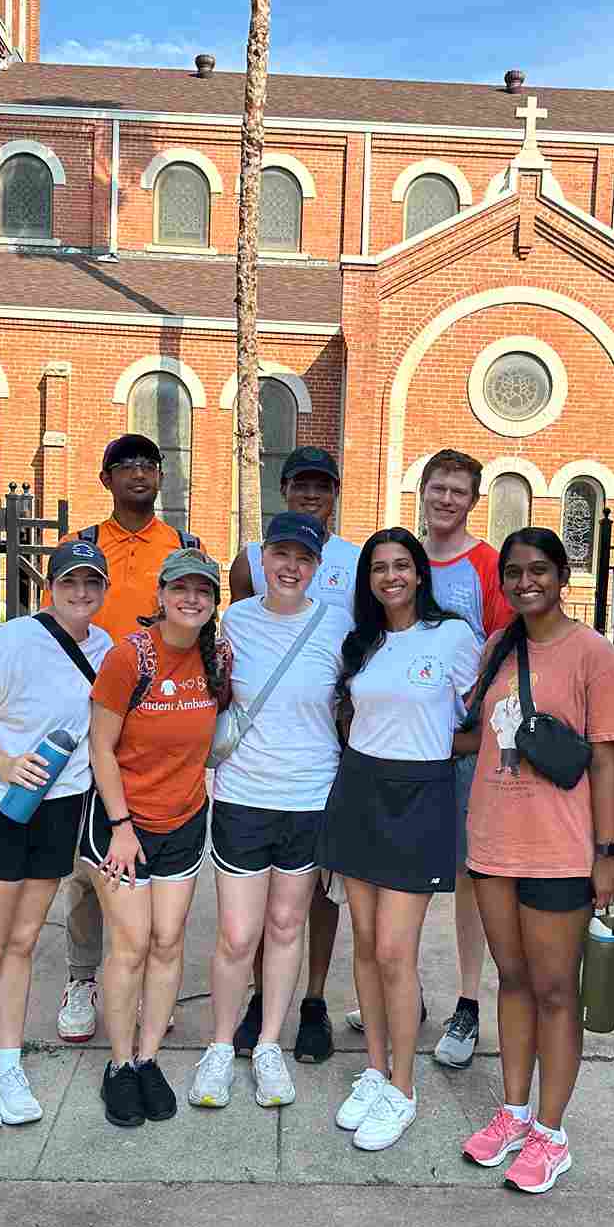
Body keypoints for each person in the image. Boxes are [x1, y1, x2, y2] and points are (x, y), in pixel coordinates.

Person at [454, 529, 614, 1194]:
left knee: (558, 992)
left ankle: (551, 1135)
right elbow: (474, 734)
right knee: (512, 979)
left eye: (539, 570)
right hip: (494, 840)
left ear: (562, 575)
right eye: (515, 573)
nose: (526, 582)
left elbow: (606, 760)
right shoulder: (501, 649)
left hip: (561, 851)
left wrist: (606, 854)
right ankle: (514, 1112)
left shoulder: (594, 656)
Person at [0, 540, 114, 1135]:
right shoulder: (9, 642)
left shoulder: (106, 648)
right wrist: (3, 762)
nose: (80, 593)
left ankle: (8, 1063)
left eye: (92, 582)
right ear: (50, 586)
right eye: (70, 582)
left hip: (58, 809)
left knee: (24, 942)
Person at [347, 449, 512, 1071]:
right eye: (437, 487)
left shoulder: (487, 565)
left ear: (473, 500)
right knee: (391, 889)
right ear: (423, 491)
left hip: (457, 740)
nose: (446, 499)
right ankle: (404, 995)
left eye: (458, 491)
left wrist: (475, 733)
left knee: (469, 875)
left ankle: (468, 1000)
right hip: (399, 747)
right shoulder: (400, 558)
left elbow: (498, 650)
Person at [317, 529, 480, 1150]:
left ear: (419, 574)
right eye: (379, 568)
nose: (391, 576)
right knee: (363, 943)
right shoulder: (361, 643)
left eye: (401, 566)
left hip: (419, 798)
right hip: (359, 790)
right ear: (369, 579)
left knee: (393, 950)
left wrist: (443, 750)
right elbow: (351, 716)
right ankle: (376, 1070)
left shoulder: (453, 637)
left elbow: (483, 715)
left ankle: (404, 1089)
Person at [190, 512, 355, 1110]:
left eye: (303, 558)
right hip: (243, 796)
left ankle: (267, 1046)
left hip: (310, 798)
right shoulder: (233, 621)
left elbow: (356, 700)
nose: (290, 567)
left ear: (317, 567)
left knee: (287, 927)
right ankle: (216, 1046)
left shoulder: (337, 626)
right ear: (262, 560)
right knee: (238, 934)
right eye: (280, 555)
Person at [46, 433, 204, 1048]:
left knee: (153, 890)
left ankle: (142, 991)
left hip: (156, 727)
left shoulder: (181, 548)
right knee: (88, 873)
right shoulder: (83, 549)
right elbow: (60, 630)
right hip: (95, 722)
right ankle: (83, 980)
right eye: (125, 465)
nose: (139, 473)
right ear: (105, 477)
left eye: (149, 464)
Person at [83, 547, 230, 1128]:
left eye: (203, 591)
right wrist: (120, 826)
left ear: (213, 603)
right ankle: (118, 1066)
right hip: (124, 825)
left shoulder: (215, 658)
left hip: (185, 819)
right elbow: (100, 747)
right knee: (132, 945)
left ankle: (148, 1060)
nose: (191, 598)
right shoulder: (129, 658)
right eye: (180, 589)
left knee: (169, 943)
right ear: (162, 596)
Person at [225, 446, 359, 1065]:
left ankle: (312, 1000)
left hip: (317, 772)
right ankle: (260, 999)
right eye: (300, 484)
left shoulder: (354, 564)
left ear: (334, 494)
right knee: (256, 912)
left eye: (322, 486)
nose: (311, 493)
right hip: (252, 780)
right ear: (283, 489)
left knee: (315, 902)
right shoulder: (247, 569)